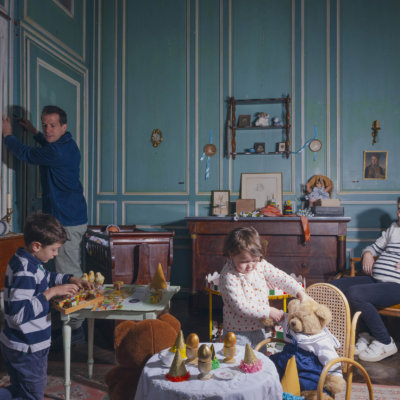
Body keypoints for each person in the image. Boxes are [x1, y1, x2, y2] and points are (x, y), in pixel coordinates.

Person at [2, 106, 88, 344]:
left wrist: (7, 134)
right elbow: (48, 144)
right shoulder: (68, 144)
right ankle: (67, 323)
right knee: (61, 271)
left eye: (53, 125)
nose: (48, 130)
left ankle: (76, 330)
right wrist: (34, 131)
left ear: (64, 126)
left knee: (69, 271)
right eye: (44, 125)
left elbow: (27, 154)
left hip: (67, 220)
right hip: (71, 216)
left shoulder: (56, 153)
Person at [0, 213, 94, 400]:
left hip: (18, 344)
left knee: (19, 388)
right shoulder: (25, 272)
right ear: (37, 246)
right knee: (33, 394)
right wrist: (50, 293)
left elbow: (46, 277)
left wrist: (70, 279)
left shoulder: (26, 260)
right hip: (27, 347)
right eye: (53, 249)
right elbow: (18, 314)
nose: (56, 254)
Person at [331, 199, 400, 362]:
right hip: (376, 280)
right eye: (398, 209)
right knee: (335, 287)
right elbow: (373, 247)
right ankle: (366, 335)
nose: (399, 214)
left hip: (396, 286)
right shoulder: (394, 228)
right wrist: (368, 254)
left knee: (356, 293)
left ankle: (385, 341)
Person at [219, 226, 310, 349]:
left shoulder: (260, 265)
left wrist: (298, 291)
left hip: (259, 328)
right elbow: (241, 306)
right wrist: (269, 311)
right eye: (244, 262)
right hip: (237, 332)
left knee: (260, 358)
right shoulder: (228, 276)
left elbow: (279, 277)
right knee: (239, 359)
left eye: (254, 260)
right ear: (231, 254)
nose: (250, 265)